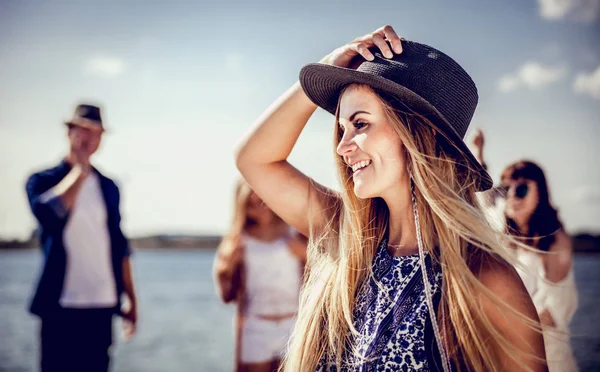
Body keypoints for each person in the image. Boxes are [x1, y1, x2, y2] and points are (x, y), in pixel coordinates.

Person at [235, 25, 547, 371]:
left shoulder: (483, 277)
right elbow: (254, 160)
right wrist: (326, 66)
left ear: (420, 133)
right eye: (343, 128)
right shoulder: (349, 236)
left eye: (361, 124)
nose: (342, 147)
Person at [25, 104, 138, 372]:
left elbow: (119, 245)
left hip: (102, 305)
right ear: (70, 132)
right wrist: (80, 173)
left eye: (96, 132)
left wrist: (131, 298)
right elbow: (48, 217)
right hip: (60, 305)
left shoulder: (109, 187)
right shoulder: (42, 180)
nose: (89, 138)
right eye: (84, 130)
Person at [473, 132, 578, 371]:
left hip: (549, 358)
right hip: (506, 354)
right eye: (505, 189)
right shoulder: (504, 232)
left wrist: (496, 320)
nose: (511, 196)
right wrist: (479, 153)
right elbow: (482, 199)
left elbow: (552, 313)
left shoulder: (555, 242)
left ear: (540, 191)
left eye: (520, 189)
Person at [213, 179, 307, 372]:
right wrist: (227, 268)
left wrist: (306, 254)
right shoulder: (238, 240)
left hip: (294, 324)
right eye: (251, 204)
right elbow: (226, 295)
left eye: (262, 201)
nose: (259, 208)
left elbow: (322, 274)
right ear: (242, 206)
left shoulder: (295, 231)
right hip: (256, 326)